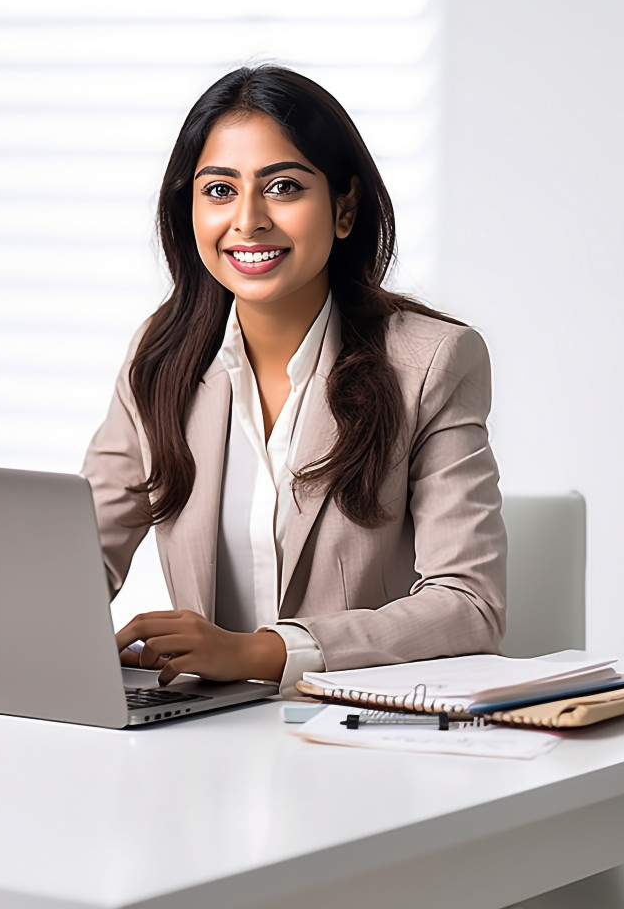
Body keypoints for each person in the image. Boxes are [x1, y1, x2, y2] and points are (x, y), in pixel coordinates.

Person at [82, 65, 506, 699]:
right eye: (219, 190)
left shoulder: (432, 362)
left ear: (344, 207)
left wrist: (261, 652)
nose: (248, 220)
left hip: (360, 741)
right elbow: (79, 557)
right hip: (202, 740)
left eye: (282, 187)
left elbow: (471, 604)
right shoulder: (160, 355)